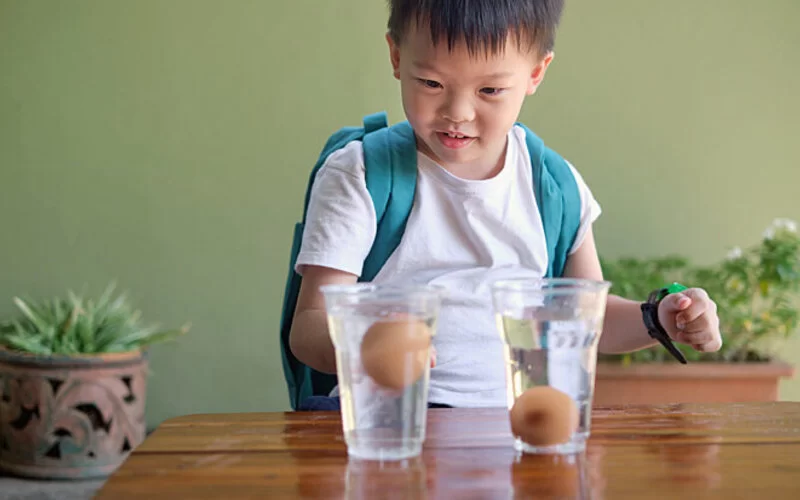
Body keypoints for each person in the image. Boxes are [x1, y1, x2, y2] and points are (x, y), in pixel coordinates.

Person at [288, 0, 722, 409]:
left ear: (536, 72)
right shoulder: (362, 173)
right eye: (431, 83)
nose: (457, 112)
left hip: (515, 430)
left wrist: (661, 318)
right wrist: (373, 347)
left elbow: (586, 319)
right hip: (395, 428)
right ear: (397, 56)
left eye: (491, 89)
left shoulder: (553, 185)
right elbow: (309, 325)